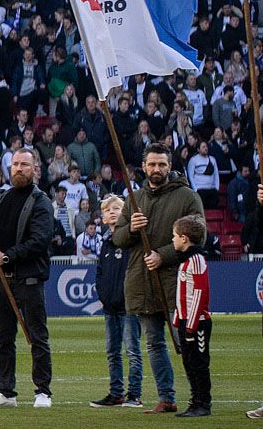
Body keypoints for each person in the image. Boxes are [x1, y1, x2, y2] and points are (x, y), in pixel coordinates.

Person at [112, 144, 206, 414]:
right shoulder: (133, 197)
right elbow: (117, 238)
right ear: (144, 166)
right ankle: (167, 398)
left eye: (162, 164)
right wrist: (131, 228)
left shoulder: (187, 197)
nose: (156, 169)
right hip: (142, 281)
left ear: (170, 166)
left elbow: (199, 235)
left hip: (177, 281)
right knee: (154, 343)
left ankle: (199, 398)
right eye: (152, 164)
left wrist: (163, 255)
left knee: (187, 343)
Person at [0, 149, 58, 408]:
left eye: (25, 165)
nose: (19, 168)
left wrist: (6, 256)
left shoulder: (41, 201)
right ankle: (6, 391)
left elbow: (40, 241)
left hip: (28, 278)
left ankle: (43, 392)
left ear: (35, 169)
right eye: (15, 164)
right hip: (2, 279)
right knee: (3, 337)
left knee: (37, 336)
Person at [92, 194, 143, 408]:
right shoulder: (104, 244)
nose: (111, 212)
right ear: (102, 218)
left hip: (128, 307)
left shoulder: (131, 241)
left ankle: (134, 395)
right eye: (107, 210)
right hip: (109, 307)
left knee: (132, 351)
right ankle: (116, 393)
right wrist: (103, 296)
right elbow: (101, 273)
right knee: (113, 352)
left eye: (117, 208)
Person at [169, 215, 211, 418]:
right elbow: (183, 296)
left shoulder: (196, 260)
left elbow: (199, 293)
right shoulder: (186, 261)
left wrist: (191, 326)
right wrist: (178, 320)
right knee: (188, 362)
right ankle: (195, 401)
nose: (172, 239)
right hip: (186, 321)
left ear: (184, 238)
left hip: (197, 323)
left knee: (199, 363)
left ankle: (203, 403)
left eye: (174, 236)